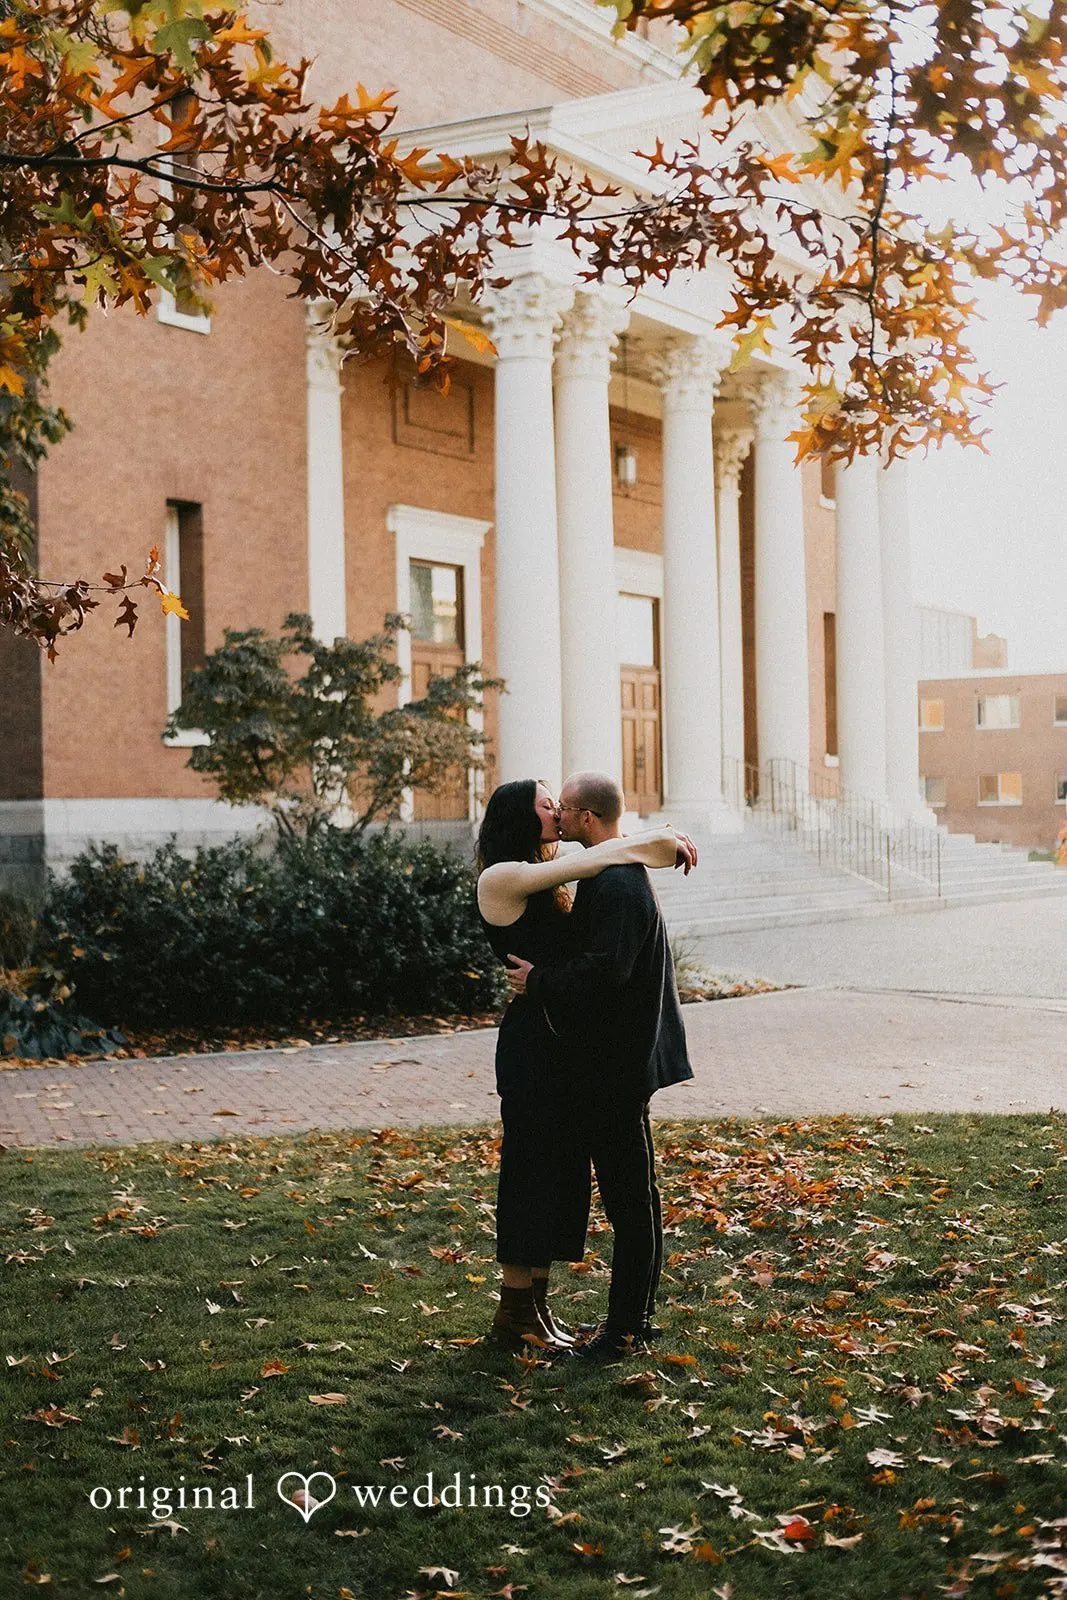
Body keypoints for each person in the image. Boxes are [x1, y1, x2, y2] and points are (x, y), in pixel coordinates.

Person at [475, 778, 696, 1350]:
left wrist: (655, 839)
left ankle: (538, 1313)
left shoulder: (577, 878)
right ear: (520, 821)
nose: (556, 813)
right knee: (528, 1176)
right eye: (547, 806)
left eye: (563, 805)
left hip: (567, 1049)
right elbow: (607, 849)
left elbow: (605, 852)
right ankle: (516, 1313)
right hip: (533, 1045)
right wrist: (660, 839)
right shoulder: (503, 876)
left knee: (559, 1178)